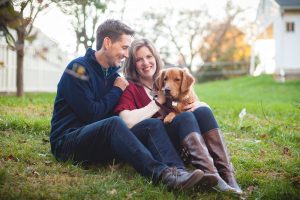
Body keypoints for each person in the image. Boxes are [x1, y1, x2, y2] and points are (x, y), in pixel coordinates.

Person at [49, 19, 209, 190]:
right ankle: (164, 175)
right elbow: (90, 115)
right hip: (68, 142)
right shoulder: (77, 69)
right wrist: (116, 90)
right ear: (108, 43)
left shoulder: (113, 76)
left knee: (151, 124)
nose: (127, 54)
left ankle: (179, 173)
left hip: (100, 141)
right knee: (114, 123)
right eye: (124, 48)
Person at [114, 38, 243, 194]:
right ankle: (211, 175)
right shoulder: (131, 87)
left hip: (177, 137)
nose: (145, 62)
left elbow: (188, 102)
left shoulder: (170, 79)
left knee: (202, 111)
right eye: (139, 59)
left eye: (149, 57)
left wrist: (201, 105)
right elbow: (126, 122)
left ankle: (225, 174)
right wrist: (157, 101)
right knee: (185, 117)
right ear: (132, 64)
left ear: (155, 58)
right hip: (156, 143)